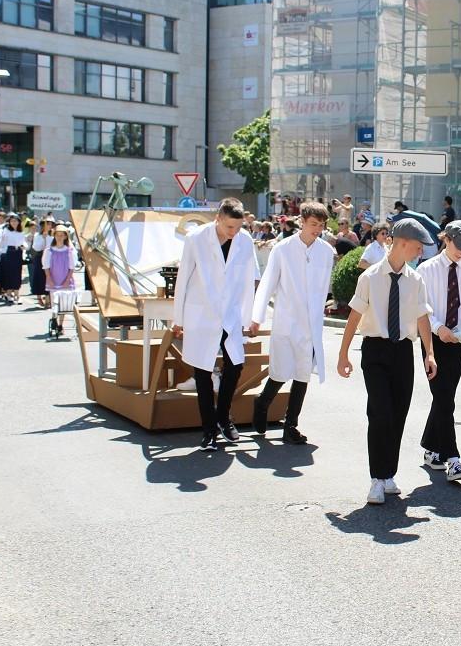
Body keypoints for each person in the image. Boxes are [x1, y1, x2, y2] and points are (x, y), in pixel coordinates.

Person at [338, 218, 437, 504]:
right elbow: (355, 316)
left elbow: (422, 317)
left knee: (398, 415)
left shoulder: (416, 280)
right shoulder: (369, 277)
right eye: (418, 247)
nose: (420, 253)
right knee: (379, 413)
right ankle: (376, 479)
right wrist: (344, 353)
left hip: (403, 352)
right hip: (376, 351)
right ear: (403, 243)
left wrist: (429, 353)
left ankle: (388, 474)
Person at [171, 198, 259, 452]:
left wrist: (248, 316)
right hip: (201, 312)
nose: (234, 232)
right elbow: (183, 279)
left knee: (235, 365)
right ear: (218, 219)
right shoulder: (196, 238)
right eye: (230, 227)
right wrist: (178, 319)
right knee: (202, 370)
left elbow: (248, 279)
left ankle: (223, 415)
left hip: (230, 314)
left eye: (238, 227)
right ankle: (209, 429)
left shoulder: (244, 241)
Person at [249, 201, 334, 444]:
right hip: (287, 318)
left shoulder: (326, 251)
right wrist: (257, 317)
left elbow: (323, 287)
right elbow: (268, 283)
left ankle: (291, 426)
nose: (317, 229)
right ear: (302, 222)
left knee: (302, 375)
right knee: (280, 371)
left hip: (311, 324)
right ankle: (262, 403)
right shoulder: (283, 249)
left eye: (321, 225)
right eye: (313, 224)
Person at [416, 221, 461, 481]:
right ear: (446, 239)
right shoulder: (426, 270)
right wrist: (437, 328)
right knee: (445, 398)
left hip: (460, 342)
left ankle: (430, 446)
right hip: (432, 341)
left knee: (444, 397)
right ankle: (453, 459)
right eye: (459, 247)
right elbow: (421, 308)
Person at [42, 224, 76, 332]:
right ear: (54, 236)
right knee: (54, 302)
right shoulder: (49, 250)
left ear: (65, 237)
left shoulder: (69, 251)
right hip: (54, 278)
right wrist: (49, 279)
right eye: (57, 235)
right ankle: (54, 319)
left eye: (62, 235)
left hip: (65, 279)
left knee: (64, 303)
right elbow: (46, 266)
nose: (59, 237)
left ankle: (61, 324)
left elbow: (72, 267)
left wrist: (67, 280)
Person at [0, 212, 26, 304]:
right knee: (9, 273)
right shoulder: (6, 231)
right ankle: (8, 293)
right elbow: (1, 244)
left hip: (18, 253)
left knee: (17, 273)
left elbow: (24, 242)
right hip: (9, 252)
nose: (14, 223)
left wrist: (24, 246)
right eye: (12, 221)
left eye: (15, 221)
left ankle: (17, 294)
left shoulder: (21, 232)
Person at [29, 217, 55, 307]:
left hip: (50, 257)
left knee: (48, 277)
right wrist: (43, 239)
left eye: (50, 224)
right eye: (47, 224)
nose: (49, 226)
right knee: (39, 277)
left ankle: (48, 298)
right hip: (40, 256)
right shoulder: (37, 236)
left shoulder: (52, 236)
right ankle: (39, 296)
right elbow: (36, 247)